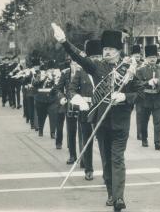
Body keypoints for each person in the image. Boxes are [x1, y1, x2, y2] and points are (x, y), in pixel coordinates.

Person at [52, 23, 143, 212]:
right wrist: (64, 41)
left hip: (120, 122)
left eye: (110, 49)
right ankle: (111, 192)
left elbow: (140, 93)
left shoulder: (129, 69)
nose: (107, 52)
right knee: (106, 159)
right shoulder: (98, 67)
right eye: (105, 49)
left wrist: (125, 96)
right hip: (101, 121)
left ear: (118, 51)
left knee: (117, 158)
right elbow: (79, 57)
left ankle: (119, 198)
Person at [69, 39, 102, 180]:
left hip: (101, 110)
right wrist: (79, 100)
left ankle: (107, 170)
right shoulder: (81, 72)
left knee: (103, 141)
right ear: (88, 58)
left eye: (98, 57)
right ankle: (88, 168)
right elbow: (71, 90)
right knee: (87, 140)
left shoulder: (105, 71)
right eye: (93, 57)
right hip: (86, 110)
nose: (96, 60)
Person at [136, 45, 160, 150]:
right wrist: (147, 82)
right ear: (146, 58)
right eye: (150, 57)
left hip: (158, 98)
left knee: (157, 121)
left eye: (154, 57)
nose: (152, 59)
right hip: (145, 98)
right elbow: (137, 84)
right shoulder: (141, 70)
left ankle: (157, 142)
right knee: (144, 121)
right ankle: (144, 139)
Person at [32, 60, 58, 138]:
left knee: (53, 116)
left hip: (52, 99)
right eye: (50, 69)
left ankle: (53, 132)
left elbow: (58, 85)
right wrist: (43, 78)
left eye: (53, 69)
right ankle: (41, 130)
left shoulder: (56, 76)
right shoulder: (40, 75)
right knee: (41, 116)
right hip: (40, 99)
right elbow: (35, 84)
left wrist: (52, 79)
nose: (52, 70)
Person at [131, 45, 145, 141]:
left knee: (140, 112)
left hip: (139, 91)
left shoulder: (143, 64)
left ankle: (140, 133)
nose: (137, 57)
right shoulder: (128, 64)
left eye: (139, 55)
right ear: (132, 55)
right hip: (129, 91)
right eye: (135, 55)